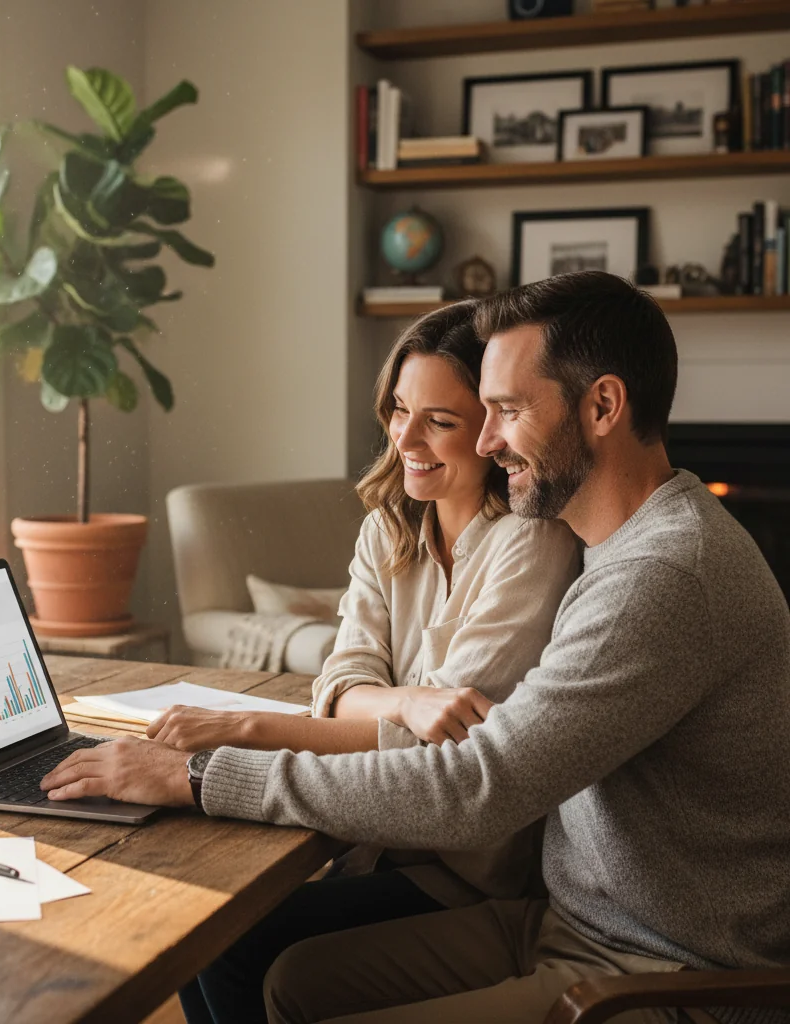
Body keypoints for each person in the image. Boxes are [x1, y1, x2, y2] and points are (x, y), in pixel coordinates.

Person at [41, 271, 790, 1024]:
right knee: (285, 980)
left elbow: (474, 786)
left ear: (602, 405)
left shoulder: (660, 575)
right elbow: (383, 701)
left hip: (660, 974)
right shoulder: (619, 546)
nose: (488, 439)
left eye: (505, 410)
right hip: (569, 926)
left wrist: (198, 777)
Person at [145, 302, 580, 1023]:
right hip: (375, 839)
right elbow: (342, 684)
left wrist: (244, 728)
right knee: (195, 926)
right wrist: (405, 701)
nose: (406, 437)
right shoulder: (388, 527)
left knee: (230, 946)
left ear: (493, 430)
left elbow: (442, 746)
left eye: (440, 420)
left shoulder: (531, 542)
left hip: (469, 868)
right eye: (399, 408)